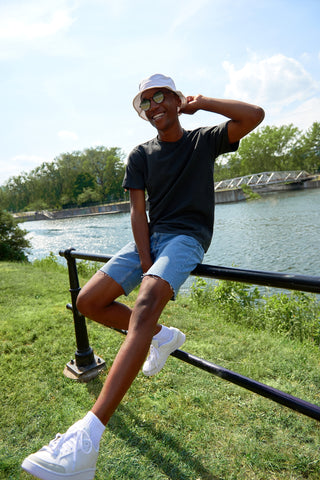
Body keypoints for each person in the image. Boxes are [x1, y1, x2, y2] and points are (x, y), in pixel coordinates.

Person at [22, 73, 264, 479]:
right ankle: (160, 336)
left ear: (175, 99)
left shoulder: (203, 140)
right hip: (149, 239)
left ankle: (86, 440)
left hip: (188, 237)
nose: (153, 107)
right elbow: (138, 212)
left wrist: (201, 102)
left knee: (145, 305)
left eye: (159, 98)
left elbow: (254, 115)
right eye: (145, 103)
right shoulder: (140, 154)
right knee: (87, 301)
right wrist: (147, 257)